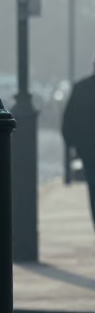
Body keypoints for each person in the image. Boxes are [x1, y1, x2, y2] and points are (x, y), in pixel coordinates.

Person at [62, 57, 95, 231]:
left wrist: (73, 145)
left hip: (89, 152)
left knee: (94, 192)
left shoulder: (81, 88)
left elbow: (68, 121)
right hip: (88, 151)